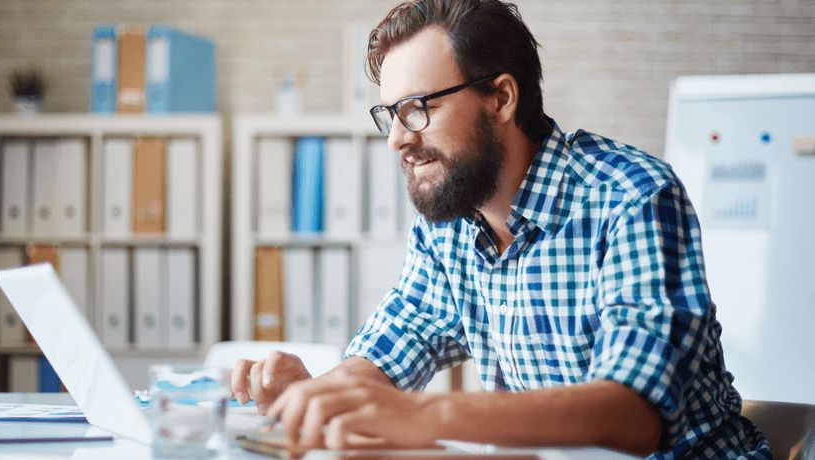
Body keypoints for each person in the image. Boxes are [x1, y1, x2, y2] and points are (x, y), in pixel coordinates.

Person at [232, 0, 771, 457]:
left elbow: (634, 416)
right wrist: (316, 398)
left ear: (502, 98)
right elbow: (393, 350)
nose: (397, 138)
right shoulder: (451, 220)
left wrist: (426, 415)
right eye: (390, 114)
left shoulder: (632, 196)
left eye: (418, 108)